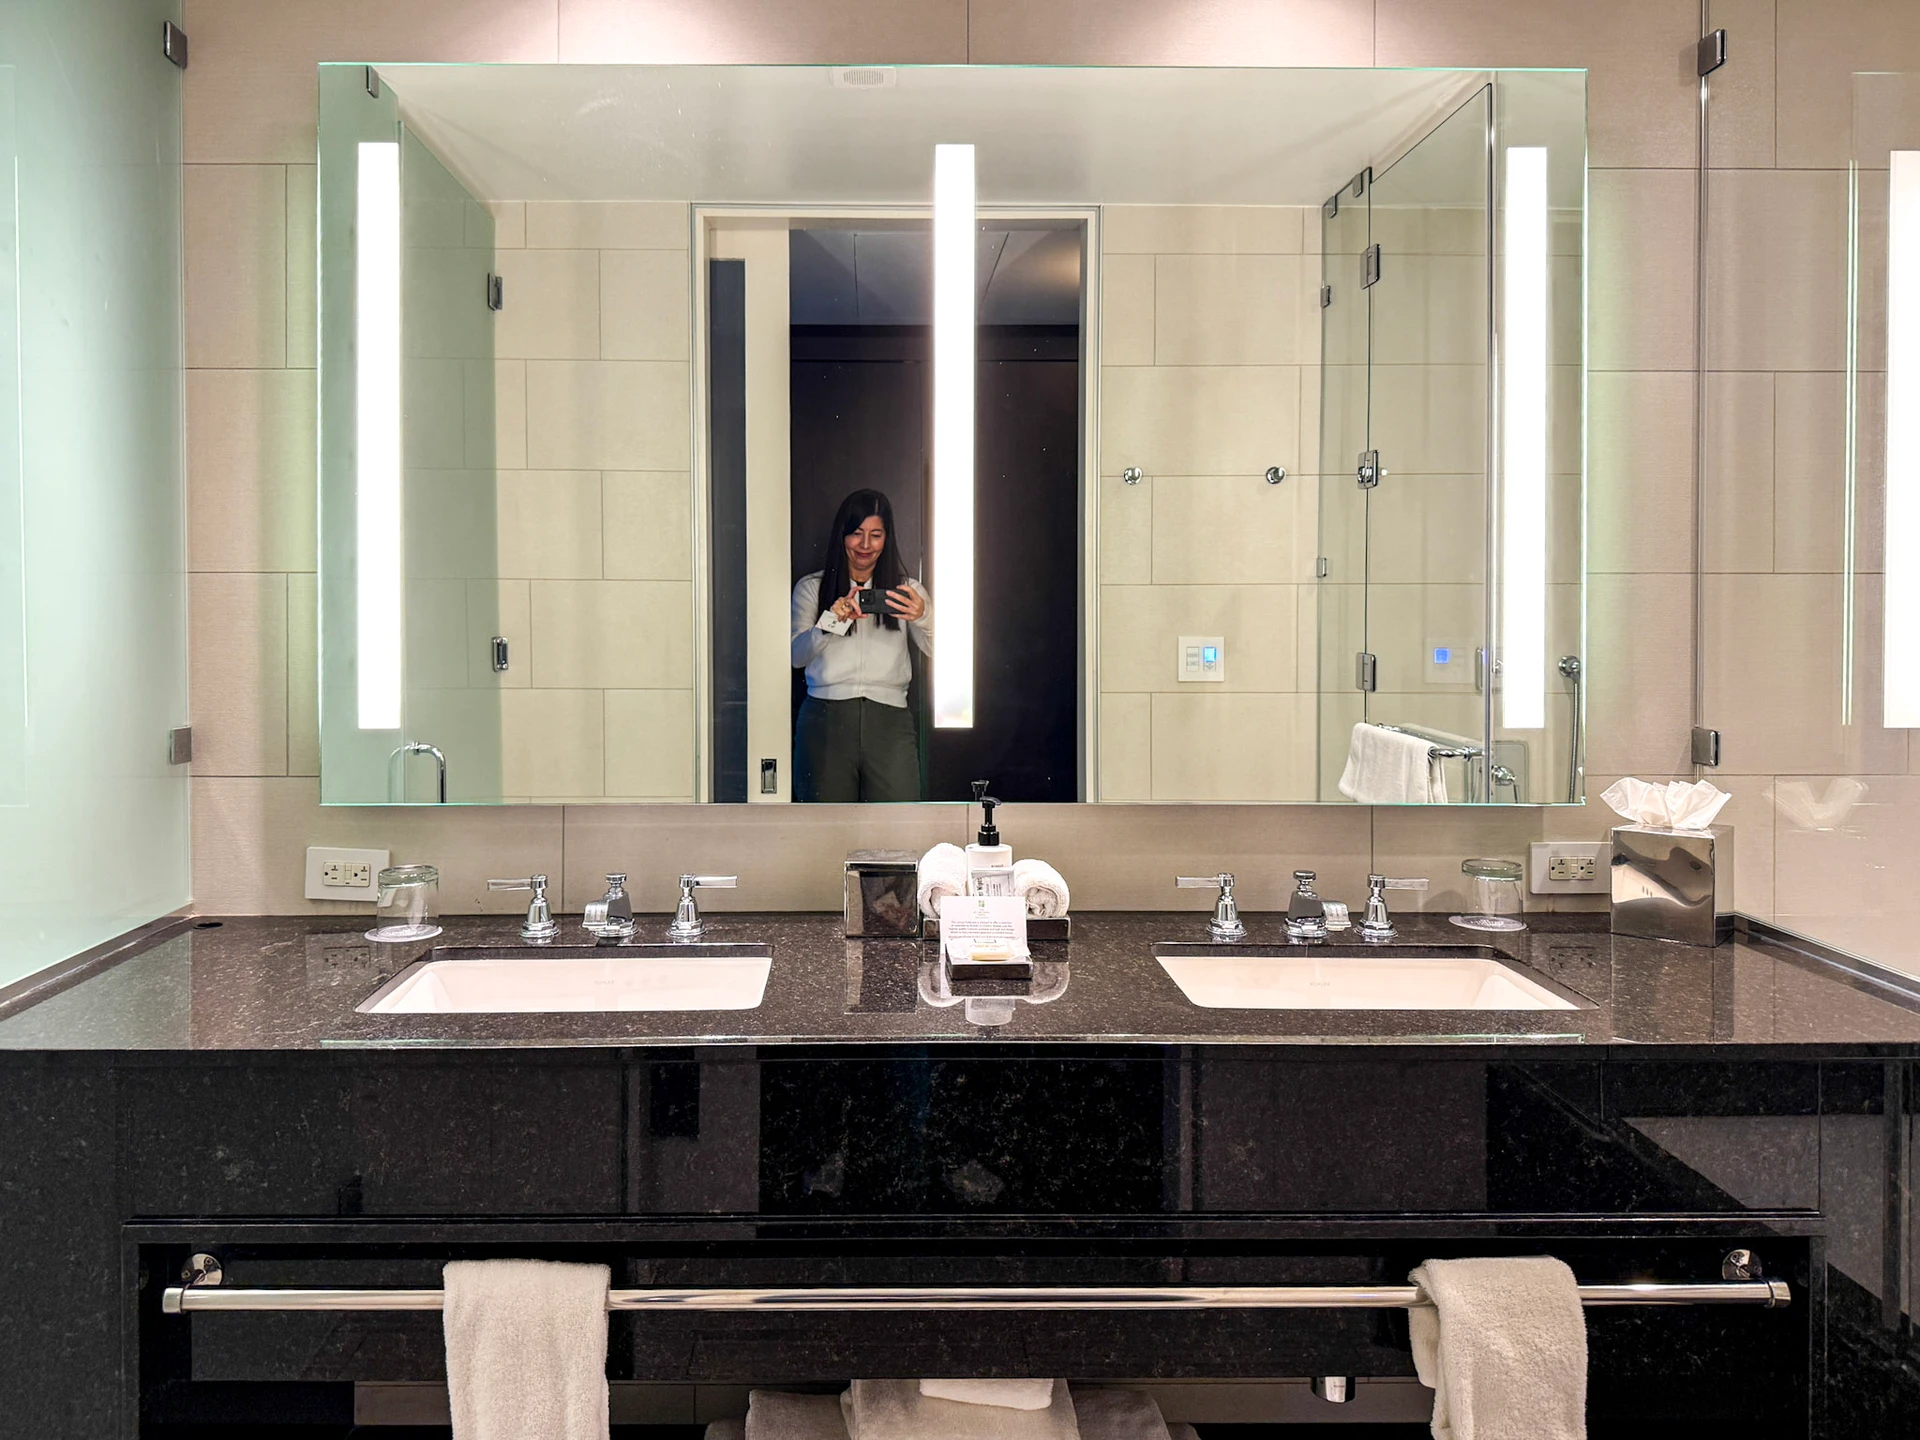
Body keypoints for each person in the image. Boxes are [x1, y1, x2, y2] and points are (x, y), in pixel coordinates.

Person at [790, 489, 932, 802]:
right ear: (842, 535)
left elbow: (940, 653)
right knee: (825, 824)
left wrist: (923, 616)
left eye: (876, 535)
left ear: (887, 538)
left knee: (900, 820)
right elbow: (796, 657)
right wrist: (831, 622)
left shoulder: (907, 590)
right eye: (856, 534)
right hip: (826, 717)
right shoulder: (813, 587)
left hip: (890, 719)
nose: (865, 545)